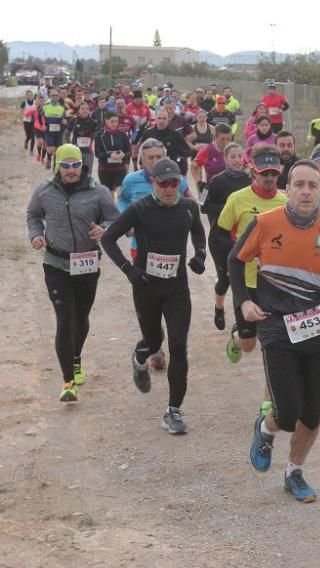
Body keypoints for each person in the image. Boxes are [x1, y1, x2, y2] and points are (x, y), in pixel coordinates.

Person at [233, 159, 320, 502]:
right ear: (287, 190)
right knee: (287, 412)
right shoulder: (265, 222)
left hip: (316, 326)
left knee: (311, 412)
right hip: (277, 325)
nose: (306, 191)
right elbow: (236, 260)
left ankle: (294, 472)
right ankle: (265, 430)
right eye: (299, 185)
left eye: (313, 185)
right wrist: (244, 304)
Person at [101, 159, 207, 435]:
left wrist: (199, 255)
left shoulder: (188, 207)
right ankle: (140, 357)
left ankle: (173, 411)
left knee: (178, 346)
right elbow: (108, 239)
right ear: (153, 183)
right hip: (146, 287)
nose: (170, 188)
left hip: (177, 289)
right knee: (153, 341)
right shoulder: (141, 209)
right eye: (164, 183)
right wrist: (129, 270)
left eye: (174, 183)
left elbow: (198, 231)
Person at [26, 144, 119, 402]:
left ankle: (76, 357)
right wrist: (35, 234)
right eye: (65, 165)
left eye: (75, 165)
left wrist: (103, 229)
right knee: (65, 320)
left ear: (82, 165)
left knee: (81, 317)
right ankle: (68, 382)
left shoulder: (98, 192)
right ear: (57, 165)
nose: (71, 170)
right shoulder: (44, 191)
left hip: (87, 263)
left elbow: (115, 219)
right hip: (56, 264)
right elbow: (33, 215)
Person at [217, 145, 289, 372]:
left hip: (275, 283)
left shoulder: (287, 202)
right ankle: (237, 337)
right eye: (263, 173)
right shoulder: (237, 199)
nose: (268, 178)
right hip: (246, 281)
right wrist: (229, 265)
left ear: (280, 171)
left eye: (273, 173)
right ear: (253, 171)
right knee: (249, 344)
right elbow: (219, 235)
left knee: (275, 342)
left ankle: (270, 402)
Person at [201, 142, 252, 331]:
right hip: (220, 238)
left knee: (245, 279)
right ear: (226, 160)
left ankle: (242, 321)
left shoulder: (250, 179)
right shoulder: (216, 180)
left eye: (240, 156)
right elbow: (203, 206)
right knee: (226, 279)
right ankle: (219, 307)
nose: (238, 160)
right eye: (233, 157)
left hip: (244, 237)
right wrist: (231, 208)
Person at [139, 109, 192, 176]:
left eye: (164, 119)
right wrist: (141, 165)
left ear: (168, 120)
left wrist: (175, 151)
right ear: (155, 119)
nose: (161, 121)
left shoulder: (175, 135)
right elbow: (141, 152)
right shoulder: (148, 134)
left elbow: (188, 152)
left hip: (171, 171)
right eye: (159, 118)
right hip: (152, 171)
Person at [94, 114, 131, 196]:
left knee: (120, 193)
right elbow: (97, 153)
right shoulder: (99, 135)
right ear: (106, 121)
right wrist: (110, 155)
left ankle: (120, 208)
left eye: (116, 121)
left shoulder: (123, 135)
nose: (114, 123)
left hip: (120, 168)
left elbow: (129, 151)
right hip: (105, 169)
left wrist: (123, 155)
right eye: (112, 121)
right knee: (109, 194)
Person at [192, 123, 234, 194]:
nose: (226, 142)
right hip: (208, 188)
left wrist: (245, 178)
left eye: (228, 139)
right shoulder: (206, 150)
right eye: (222, 139)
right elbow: (193, 166)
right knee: (202, 203)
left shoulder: (235, 150)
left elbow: (249, 167)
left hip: (230, 190)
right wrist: (199, 182)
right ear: (215, 137)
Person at [41, 93, 68, 170]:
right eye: (53, 95)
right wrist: (42, 124)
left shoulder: (62, 108)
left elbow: (65, 119)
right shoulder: (45, 107)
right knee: (51, 149)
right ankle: (49, 159)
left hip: (59, 131)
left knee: (58, 150)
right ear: (51, 97)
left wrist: (65, 122)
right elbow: (40, 117)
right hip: (49, 131)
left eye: (56, 95)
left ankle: (55, 165)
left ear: (58, 97)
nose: (55, 97)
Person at [21, 90, 38, 155]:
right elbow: (22, 110)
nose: (30, 96)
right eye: (28, 94)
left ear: (32, 95)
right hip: (26, 121)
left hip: (33, 122)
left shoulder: (35, 102)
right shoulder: (24, 102)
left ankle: (31, 151)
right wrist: (25, 113)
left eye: (31, 94)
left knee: (33, 137)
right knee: (28, 136)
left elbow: (37, 110)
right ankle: (26, 141)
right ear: (26, 96)